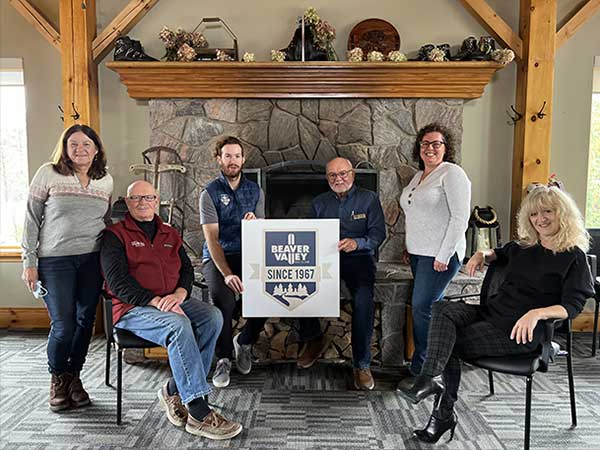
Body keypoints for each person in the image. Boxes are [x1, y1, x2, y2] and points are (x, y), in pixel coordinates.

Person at [397, 185, 594, 443]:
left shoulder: (574, 257)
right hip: (490, 314)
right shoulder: (524, 247)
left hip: (519, 332)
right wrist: (482, 253)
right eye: (534, 214)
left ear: (562, 214)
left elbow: (572, 307)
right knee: (441, 308)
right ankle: (429, 379)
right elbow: (498, 254)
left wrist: (537, 313)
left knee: (448, 342)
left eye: (548, 211)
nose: (541, 219)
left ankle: (442, 413)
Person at [101, 180, 242, 440]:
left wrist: (180, 294)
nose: (143, 203)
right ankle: (199, 413)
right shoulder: (114, 236)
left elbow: (186, 270)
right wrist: (156, 301)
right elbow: (117, 282)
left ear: (157, 201)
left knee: (213, 317)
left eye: (149, 197)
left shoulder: (169, 233)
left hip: (172, 299)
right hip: (133, 308)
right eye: (136, 198)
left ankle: (172, 389)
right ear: (127, 202)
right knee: (178, 326)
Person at [21, 124, 113, 412]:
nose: (80, 150)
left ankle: (75, 378)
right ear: (65, 148)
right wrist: (29, 262)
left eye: (86, 144)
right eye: (73, 144)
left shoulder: (106, 180)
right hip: (54, 261)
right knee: (64, 325)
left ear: (96, 149)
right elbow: (31, 219)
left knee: (86, 321)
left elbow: (106, 221)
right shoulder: (48, 173)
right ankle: (58, 378)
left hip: (90, 260)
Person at [297, 157, 386, 390]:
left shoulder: (369, 199)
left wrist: (357, 243)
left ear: (353, 175)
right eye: (333, 175)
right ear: (327, 178)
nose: (339, 179)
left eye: (343, 174)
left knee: (363, 299)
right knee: (299, 282)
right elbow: (309, 235)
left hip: (359, 258)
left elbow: (378, 235)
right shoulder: (319, 203)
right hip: (325, 259)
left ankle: (361, 364)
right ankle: (314, 338)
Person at [399, 123, 471, 378]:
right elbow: (418, 216)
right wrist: (410, 248)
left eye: (436, 144)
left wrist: (443, 255)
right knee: (429, 309)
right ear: (418, 148)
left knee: (422, 308)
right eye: (425, 144)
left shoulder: (452, 174)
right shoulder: (418, 176)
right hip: (419, 255)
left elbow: (460, 218)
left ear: (446, 147)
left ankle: (426, 370)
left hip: (439, 256)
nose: (430, 148)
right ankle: (435, 365)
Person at [200, 136, 267, 388]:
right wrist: (227, 274)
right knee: (224, 301)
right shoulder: (209, 193)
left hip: (249, 253)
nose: (233, 161)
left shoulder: (255, 190)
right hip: (218, 256)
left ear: (243, 159)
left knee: (270, 293)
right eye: (227, 156)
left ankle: (245, 341)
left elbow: (262, 230)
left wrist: (256, 223)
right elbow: (212, 240)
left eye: (237, 156)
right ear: (219, 159)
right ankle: (224, 358)